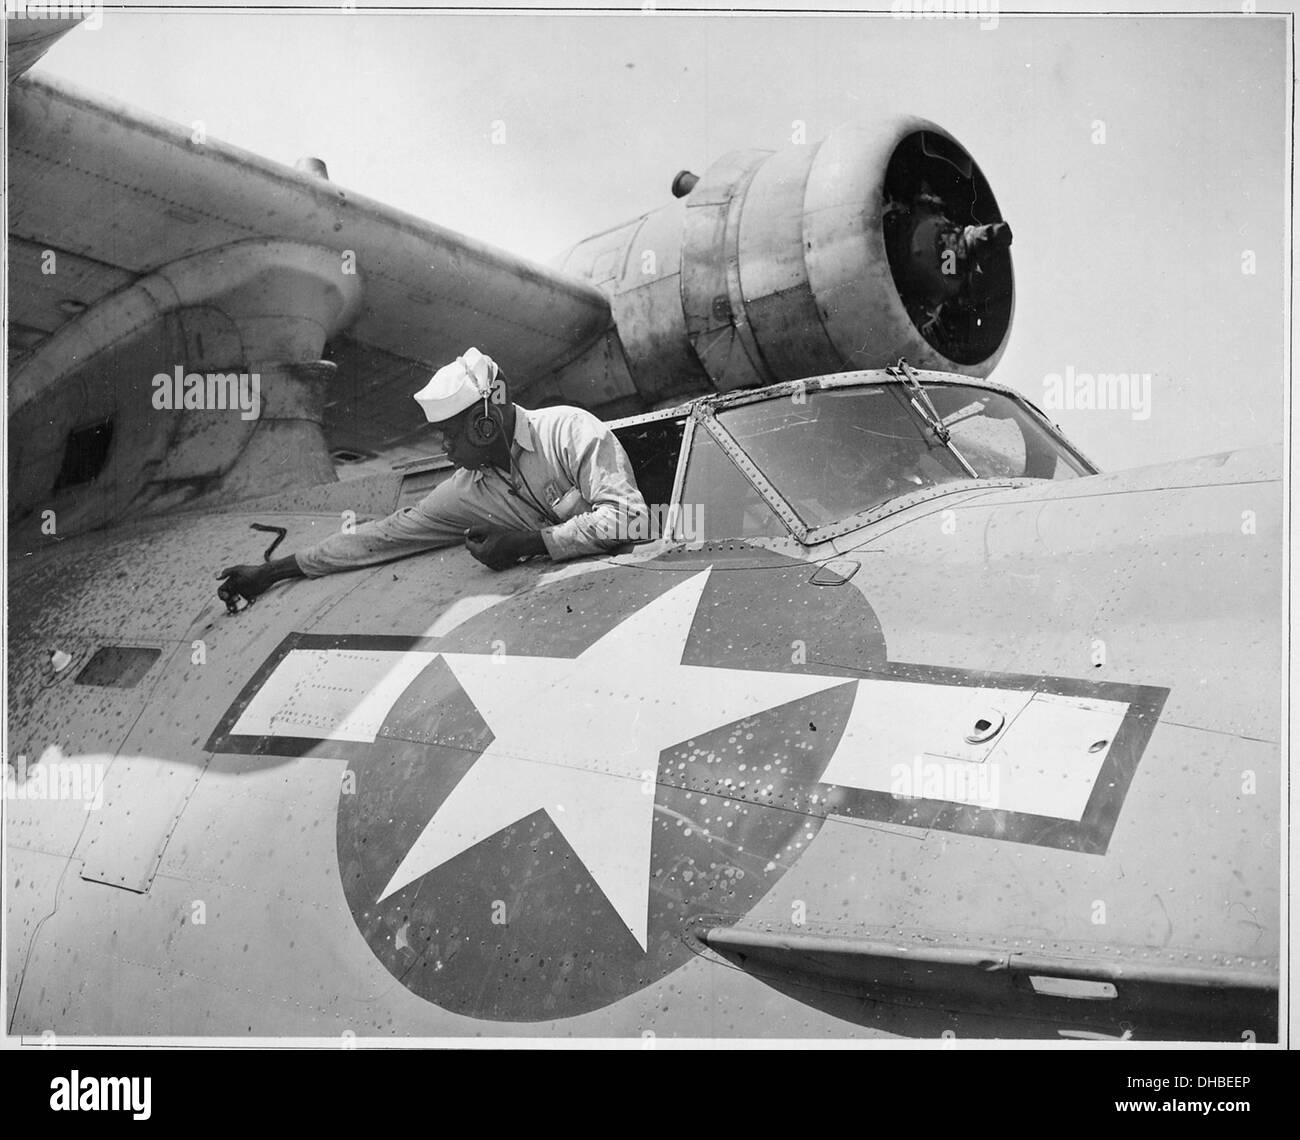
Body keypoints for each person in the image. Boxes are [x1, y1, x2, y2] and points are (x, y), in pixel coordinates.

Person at [217, 347, 649, 606]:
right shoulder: (464, 493)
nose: (443, 447)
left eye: (449, 433)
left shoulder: (569, 430)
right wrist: (272, 572)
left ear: (485, 423)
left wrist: (532, 543)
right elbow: (382, 536)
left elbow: (628, 517)